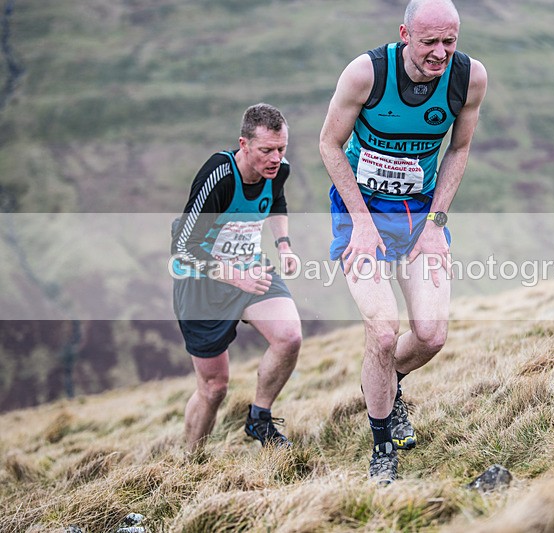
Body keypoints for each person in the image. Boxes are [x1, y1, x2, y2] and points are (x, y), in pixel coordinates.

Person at [319, 0, 487, 483]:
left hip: (419, 215)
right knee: (384, 330)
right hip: (360, 211)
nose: (439, 53)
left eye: (449, 42)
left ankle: (388, 386)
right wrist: (362, 222)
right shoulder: (365, 74)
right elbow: (329, 144)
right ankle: (382, 446)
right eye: (429, 41)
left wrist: (436, 223)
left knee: (432, 334)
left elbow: (458, 147)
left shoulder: (468, 78)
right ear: (405, 33)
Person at [170, 103, 302, 454]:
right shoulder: (220, 176)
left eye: (281, 149)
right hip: (202, 284)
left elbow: (277, 202)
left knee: (289, 337)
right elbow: (183, 248)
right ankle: (191, 462)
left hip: (250, 268)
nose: (275, 158)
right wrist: (234, 277)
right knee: (214, 388)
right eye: (266, 151)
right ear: (243, 145)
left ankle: (259, 417)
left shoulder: (279, 170)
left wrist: (284, 246)